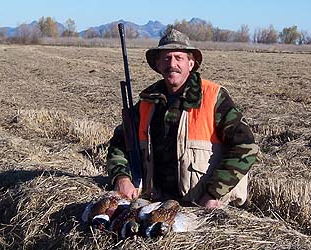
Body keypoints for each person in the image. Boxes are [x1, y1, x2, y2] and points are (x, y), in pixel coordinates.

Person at [107, 28, 258, 209]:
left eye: (179, 58)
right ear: (158, 64)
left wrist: (213, 193)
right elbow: (119, 143)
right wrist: (122, 178)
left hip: (200, 206)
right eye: (166, 58)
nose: (172, 64)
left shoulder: (213, 97)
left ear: (191, 63)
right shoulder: (148, 101)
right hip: (155, 204)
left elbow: (246, 147)